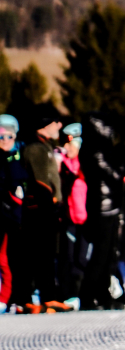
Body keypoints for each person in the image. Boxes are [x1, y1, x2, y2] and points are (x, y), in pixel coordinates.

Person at [13, 110, 65, 313]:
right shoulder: (36, 148)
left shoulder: (44, 147)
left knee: (44, 255)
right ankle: (28, 299)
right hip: (39, 210)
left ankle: (45, 297)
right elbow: (41, 182)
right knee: (36, 255)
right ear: (44, 125)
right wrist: (50, 203)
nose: (59, 126)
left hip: (44, 208)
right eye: (55, 122)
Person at [78, 113, 125, 311]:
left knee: (109, 256)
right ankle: (88, 296)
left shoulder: (100, 149)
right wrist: (121, 164)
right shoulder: (95, 150)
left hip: (110, 207)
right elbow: (114, 175)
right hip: (102, 209)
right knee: (100, 255)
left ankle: (104, 294)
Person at [54, 122, 89, 311]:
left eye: (71, 144)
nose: (67, 148)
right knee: (67, 258)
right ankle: (69, 295)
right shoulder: (62, 163)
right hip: (68, 218)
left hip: (86, 219)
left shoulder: (88, 164)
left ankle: (83, 293)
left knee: (82, 259)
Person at [0, 115, 25, 312]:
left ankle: (12, 297)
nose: (4, 141)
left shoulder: (21, 156)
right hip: (5, 215)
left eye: (8, 136)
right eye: (0, 137)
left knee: (11, 259)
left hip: (15, 217)